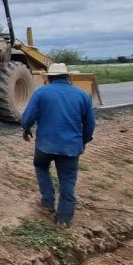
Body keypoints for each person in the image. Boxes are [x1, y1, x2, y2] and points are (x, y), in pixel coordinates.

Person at [20, 63, 95, 226]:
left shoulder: (41, 92)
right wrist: (83, 141)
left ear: (49, 77)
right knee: (67, 179)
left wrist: (26, 129)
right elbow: (90, 124)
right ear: (68, 76)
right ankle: (64, 219)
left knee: (41, 166)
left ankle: (47, 202)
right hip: (71, 146)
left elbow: (28, 117)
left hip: (45, 144)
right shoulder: (83, 95)